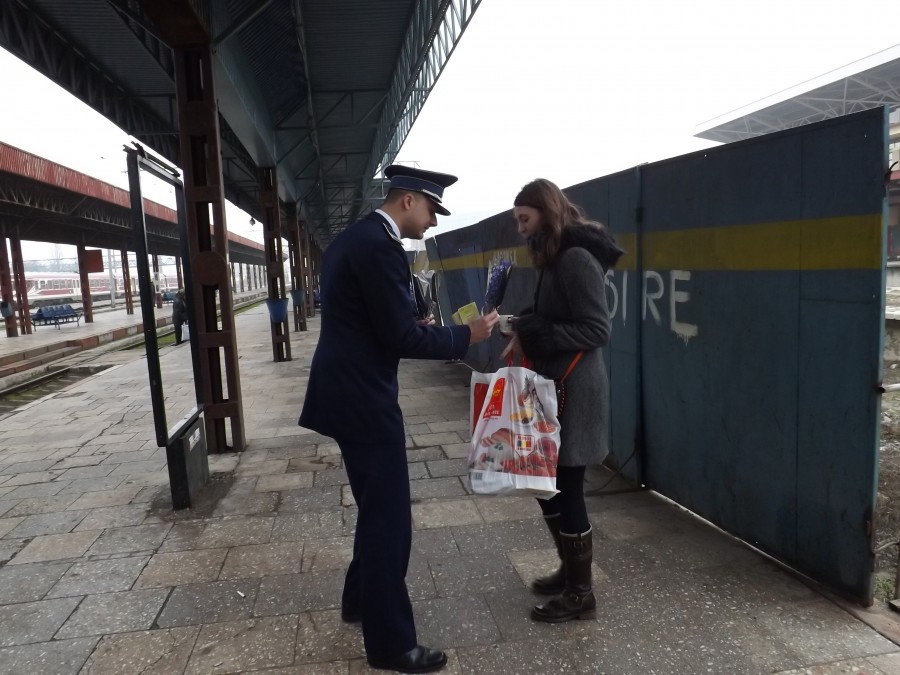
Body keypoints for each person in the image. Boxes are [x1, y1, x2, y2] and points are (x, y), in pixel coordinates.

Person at [299, 165, 499, 673]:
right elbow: (400, 340)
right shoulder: (379, 247)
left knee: (375, 507)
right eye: (432, 210)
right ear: (408, 200)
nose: (432, 223)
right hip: (363, 399)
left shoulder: (357, 239)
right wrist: (465, 336)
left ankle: (359, 600)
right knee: (390, 520)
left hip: (347, 391)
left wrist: (411, 322)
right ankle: (390, 644)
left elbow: (379, 320)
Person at [500, 178, 624, 623]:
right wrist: (519, 324)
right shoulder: (556, 255)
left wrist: (536, 332)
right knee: (545, 486)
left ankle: (581, 594)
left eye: (524, 219)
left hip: (576, 392)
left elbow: (597, 331)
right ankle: (569, 570)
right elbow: (555, 316)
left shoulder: (574, 258)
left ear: (545, 212)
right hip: (558, 388)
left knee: (566, 487)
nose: (520, 229)